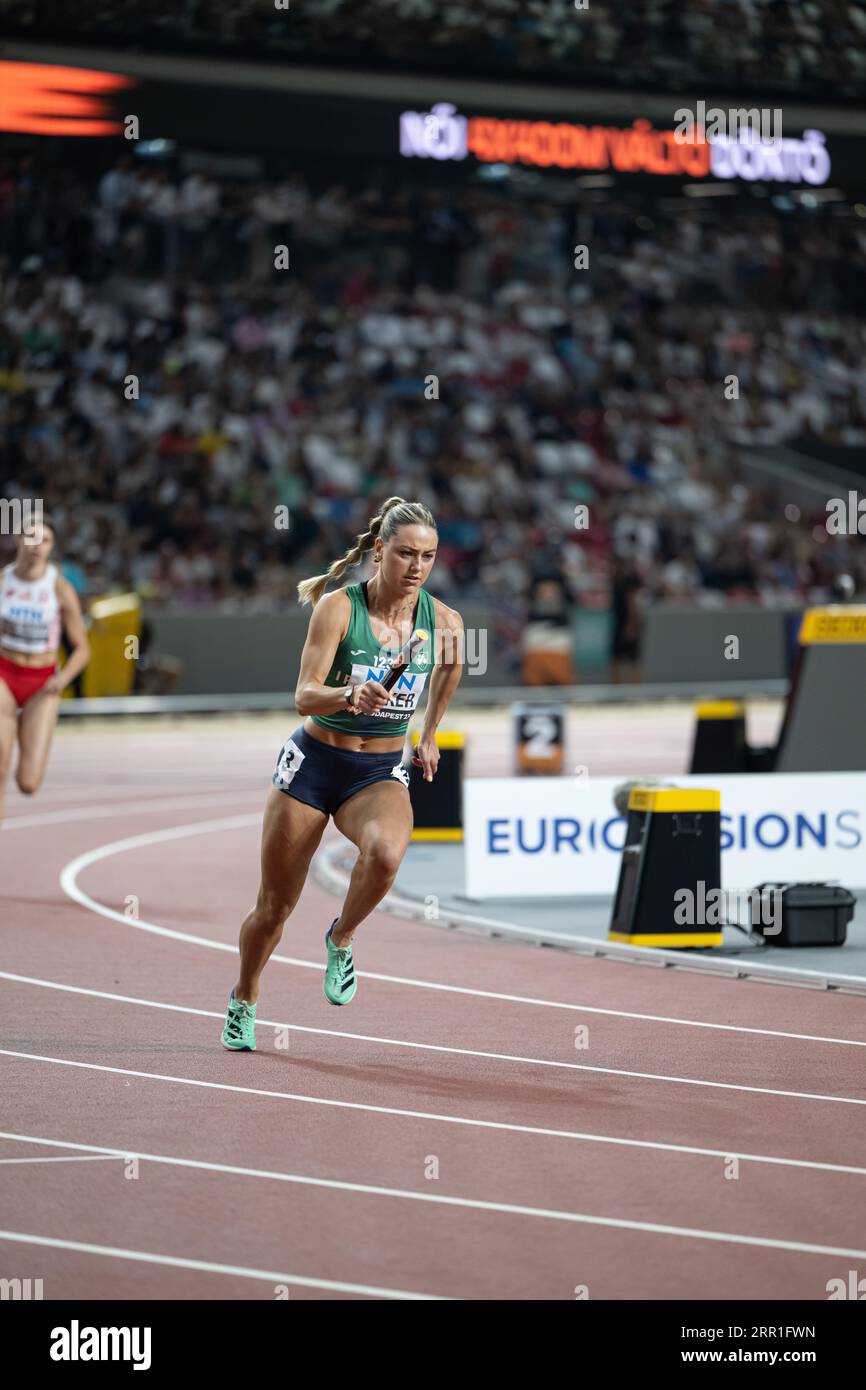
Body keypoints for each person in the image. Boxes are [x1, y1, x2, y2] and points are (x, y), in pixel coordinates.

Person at [221, 497, 464, 1051]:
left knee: (384, 856)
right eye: (405, 554)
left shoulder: (443, 621)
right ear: (380, 551)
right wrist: (349, 694)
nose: (417, 567)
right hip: (314, 764)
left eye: (427, 557)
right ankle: (245, 997)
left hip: (376, 771)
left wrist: (429, 733)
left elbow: (450, 669)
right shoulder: (338, 608)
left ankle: (342, 936)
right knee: (275, 909)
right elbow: (303, 697)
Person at [0, 517, 90, 822]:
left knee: (28, 783)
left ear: (52, 547)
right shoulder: (3, 582)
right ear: (18, 540)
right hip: (4, 675)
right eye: (31, 537)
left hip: (42, 683)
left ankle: (24, 732)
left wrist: (62, 679)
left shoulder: (59, 588)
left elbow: (82, 649)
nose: (37, 545)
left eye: (45, 540)